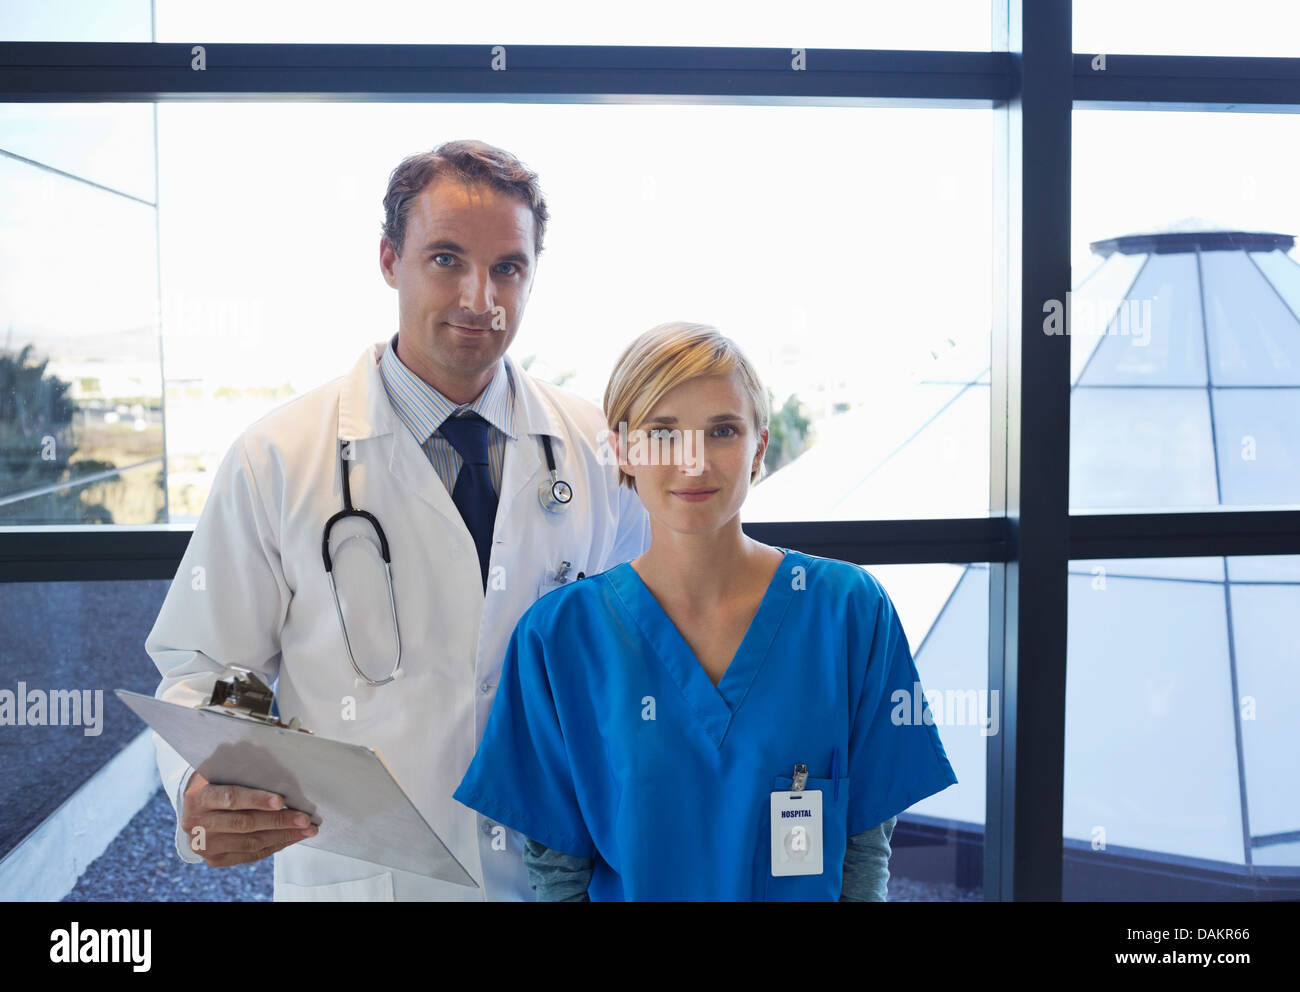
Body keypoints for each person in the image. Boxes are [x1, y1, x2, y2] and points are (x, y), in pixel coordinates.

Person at [145, 139, 650, 901]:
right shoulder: (277, 460)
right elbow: (215, 672)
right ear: (389, 260)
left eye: (508, 267)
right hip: (366, 880)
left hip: (561, 879)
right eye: (446, 259)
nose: (480, 298)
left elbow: (651, 648)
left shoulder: (599, 453)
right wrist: (202, 781)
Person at [454, 322, 958, 901]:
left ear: (758, 448)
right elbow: (557, 878)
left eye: (721, 431)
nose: (694, 463)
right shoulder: (559, 639)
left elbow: (864, 854)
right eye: (662, 434)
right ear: (621, 450)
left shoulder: (849, 613)